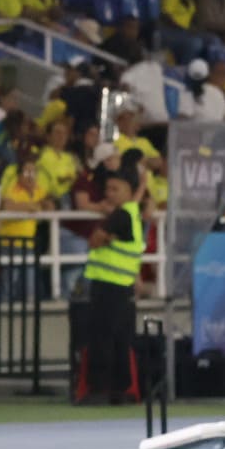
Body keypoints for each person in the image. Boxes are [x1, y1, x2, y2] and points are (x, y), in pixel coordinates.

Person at [81, 165, 145, 403]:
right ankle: (121, 390)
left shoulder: (120, 215)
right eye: (107, 189)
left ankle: (98, 390)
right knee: (120, 340)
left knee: (101, 338)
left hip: (108, 285)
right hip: (124, 285)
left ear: (129, 190)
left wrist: (106, 236)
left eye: (114, 189)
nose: (109, 193)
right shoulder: (133, 213)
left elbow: (94, 241)